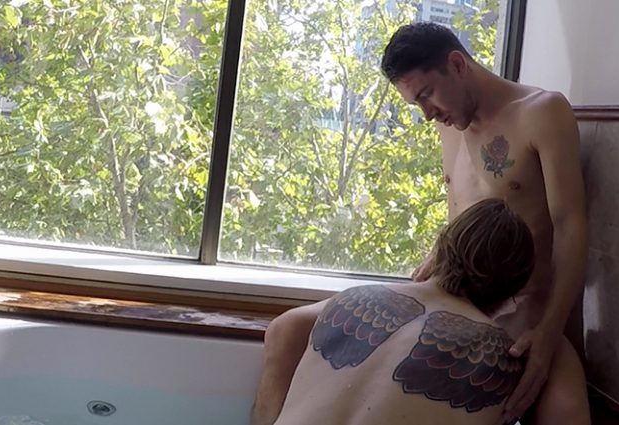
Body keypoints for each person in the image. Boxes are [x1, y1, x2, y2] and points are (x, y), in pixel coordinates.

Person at [252, 22, 590, 425]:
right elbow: (462, 213)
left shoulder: (541, 112)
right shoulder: (451, 124)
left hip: (521, 306)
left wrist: (549, 334)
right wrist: (432, 264)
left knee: (566, 409)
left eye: (427, 94)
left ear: (457, 64)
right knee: (287, 330)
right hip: (447, 288)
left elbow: (571, 228)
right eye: (417, 104)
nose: (428, 114)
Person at [263, 198, 533, 425]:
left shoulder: (350, 300)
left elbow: (283, 327)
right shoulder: (501, 359)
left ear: (439, 249)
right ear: (511, 290)